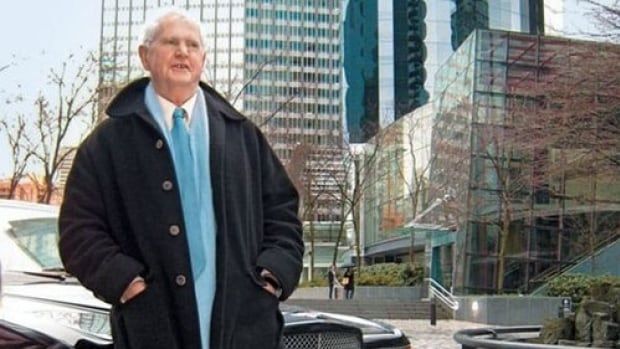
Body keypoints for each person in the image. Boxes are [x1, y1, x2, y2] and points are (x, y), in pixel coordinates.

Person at [58, 8, 304, 349]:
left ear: (203, 59)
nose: (182, 52)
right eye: (170, 42)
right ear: (145, 56)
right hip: (151, 327)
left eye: (192, 45)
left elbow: (283, 213)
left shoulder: (243, 136)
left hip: (244, 325)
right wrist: (124, 281)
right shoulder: (107, 143)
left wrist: (272, 274)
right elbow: (78, 230)